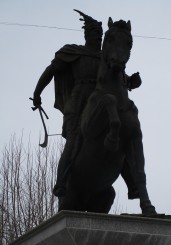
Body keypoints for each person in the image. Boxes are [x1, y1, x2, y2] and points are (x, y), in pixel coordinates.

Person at [32, 10, 142, 198]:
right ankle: (61, 181)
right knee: (75, 139)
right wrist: (37, 93)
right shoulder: (74, 53)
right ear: (86, 35)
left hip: (102, 100)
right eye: (94, 33)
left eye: (100, 34)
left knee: (122, 133)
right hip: (79, 101)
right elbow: (51, 70)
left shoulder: (106, 57)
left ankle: (133, 183)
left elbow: (118, 77)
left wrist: (131, 81)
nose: (97, 37)